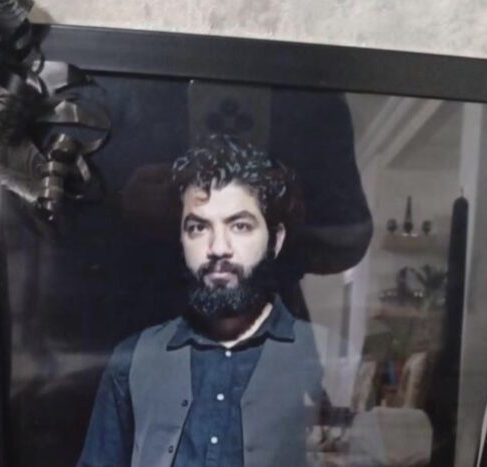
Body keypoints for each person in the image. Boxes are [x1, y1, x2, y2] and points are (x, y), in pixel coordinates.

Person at [78, 134, 345, 467]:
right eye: (198, 228)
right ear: (181, 240)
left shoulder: (327, 357)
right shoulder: (131, 360)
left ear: (275, 240)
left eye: (240, 226)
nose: (218, 248)